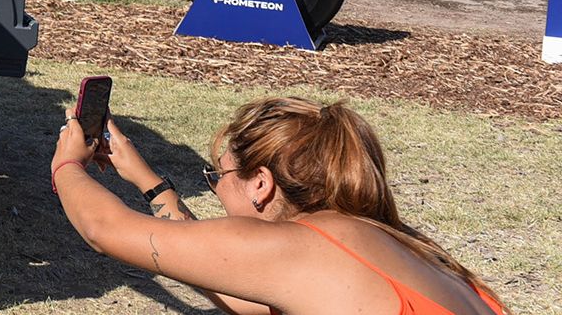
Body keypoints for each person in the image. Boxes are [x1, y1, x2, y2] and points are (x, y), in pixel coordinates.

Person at [52, 95, 508, 315]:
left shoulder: (302, 248)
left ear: (261, 186)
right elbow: (232, 287)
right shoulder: (391, 241)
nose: (215, 189)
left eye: (218, 177)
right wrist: (151, 183)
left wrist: (66, 166)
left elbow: (102, 229)